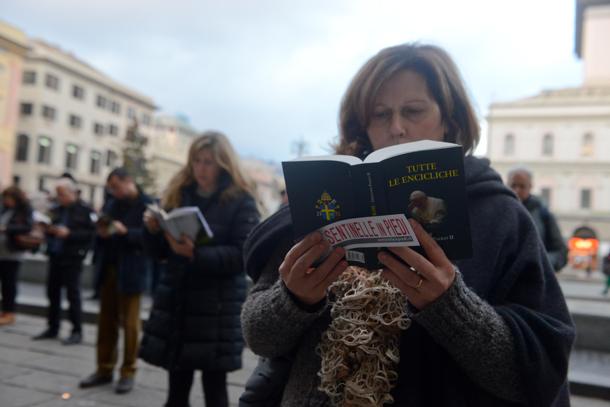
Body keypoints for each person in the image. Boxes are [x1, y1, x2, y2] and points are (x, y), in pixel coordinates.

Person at [240, 43, 575, 406]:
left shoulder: (501, 215)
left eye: (413, 111)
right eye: (380, 114)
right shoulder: (324, 200)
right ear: (362, 125)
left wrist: (450, 305)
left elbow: (542, 369)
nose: (397, 128)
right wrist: (293, 299)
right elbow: (259, 337)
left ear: (450, 118)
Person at [140, 131, 260, 407]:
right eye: (196, 161)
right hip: (179, 302)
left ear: (223, 164)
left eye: (208, 162)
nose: (200, 168)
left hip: (216, 307)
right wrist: (152, 230)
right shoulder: (178, 194)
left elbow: (243, 255)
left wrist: (196, 255)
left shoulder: (240, 200)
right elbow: (157, 253)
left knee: (215, 389)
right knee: (176, 388)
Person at [79, 168, 152, 394]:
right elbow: (101, 232)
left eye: (116, 186)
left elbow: (150, 239)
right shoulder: (112, 203)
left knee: (130, 326)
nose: (114, 191)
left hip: (132, 271)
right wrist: (102, 232)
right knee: (105, 323)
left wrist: (125, 232)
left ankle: (128, 372)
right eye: (111, 188)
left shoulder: (147, 205)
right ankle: (104, 369)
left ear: (128, 181)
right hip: (108, 269)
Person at [32, 176, 95, 344]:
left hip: (73, 257)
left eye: (62, 194)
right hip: (55, 254)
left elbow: (90, 235)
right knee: (53, 292)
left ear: (72, 193)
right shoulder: (56, 209)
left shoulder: (84, 210)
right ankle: (53, 327)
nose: (60, 197)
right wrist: (46, 230)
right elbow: (49, 226)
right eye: (58, 194)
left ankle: (77, 330)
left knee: (73, 294)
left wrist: (70, 234)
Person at [507, 167, 568, 272]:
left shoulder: (543, 214)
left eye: (522, 186)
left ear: (530, 187)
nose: (517, 190)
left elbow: (561, 251)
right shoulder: (500, 212)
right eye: (513, 185)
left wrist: (540, 263)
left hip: (533, 281)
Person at [0, 186, 34, 326]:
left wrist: (6, 229)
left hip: (13, 252)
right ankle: (4, 310)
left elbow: (27, 227)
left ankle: (9, 312)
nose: (6, 201)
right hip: (1, 251)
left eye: (8, 198)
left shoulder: (24, 210)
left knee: (9, 283)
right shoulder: (4, 208)